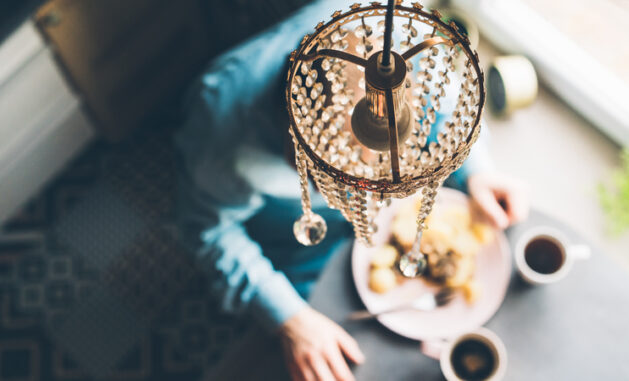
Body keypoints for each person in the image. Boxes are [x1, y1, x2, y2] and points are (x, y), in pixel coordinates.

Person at [174, 1, 529, 380]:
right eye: (344, 183)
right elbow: (208, 232)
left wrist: (475, 169)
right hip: (295, 238)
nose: (379, 203)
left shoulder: (402, 36)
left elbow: (445, 101)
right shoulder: (218, 128)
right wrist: (290, 318)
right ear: (289, 138)